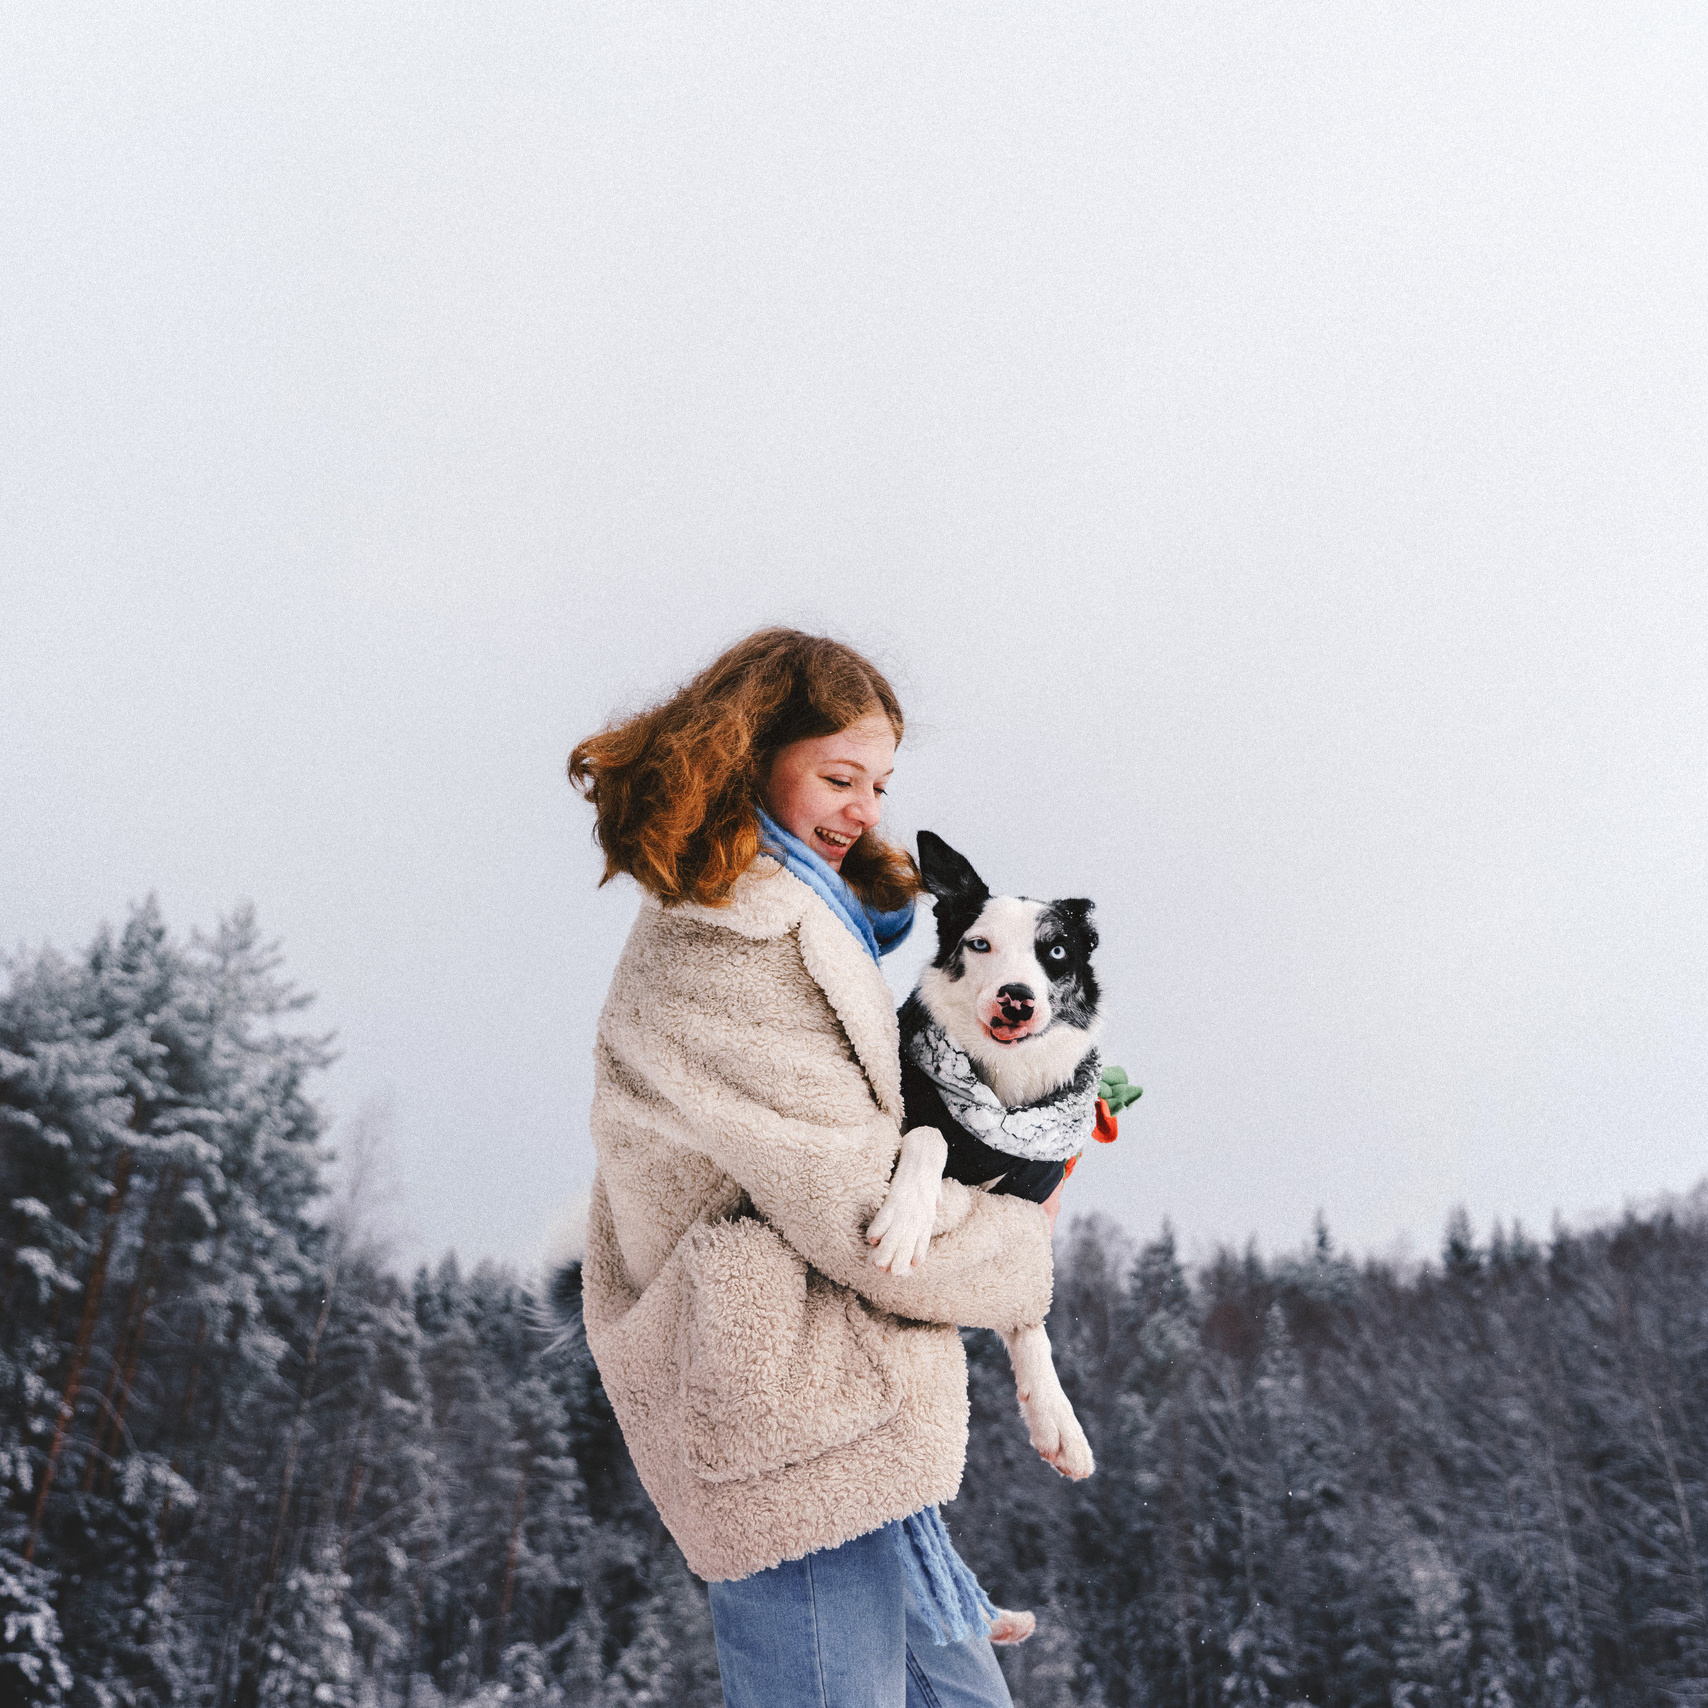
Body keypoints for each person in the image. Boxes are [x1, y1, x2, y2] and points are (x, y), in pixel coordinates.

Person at [567, 628, 1060, 1708]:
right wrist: (1024, 1233)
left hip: (846, 1414)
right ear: (747, 756)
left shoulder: (803, 927)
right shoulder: (721, 949)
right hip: (780, 1424)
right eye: (839, 778)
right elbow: (854, 1212)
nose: (864, 810)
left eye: (878, 784)